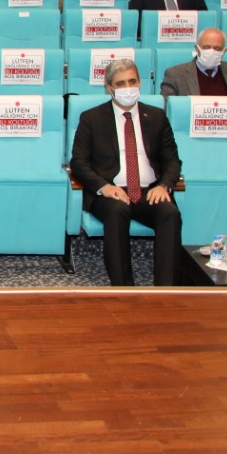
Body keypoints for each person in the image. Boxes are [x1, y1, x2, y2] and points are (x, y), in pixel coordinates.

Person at [70, 57, 183, 287]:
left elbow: (172, 160)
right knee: (118, 210)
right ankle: (123, 286)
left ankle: (167, 288)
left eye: (132, 81)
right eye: (121, 83)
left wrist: (164, 185)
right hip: (111, 192)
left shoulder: (157, 116)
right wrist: (104, 187)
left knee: (169, 212)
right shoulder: (92, 118)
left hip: (149, 190)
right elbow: (78, 162)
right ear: (109, 87)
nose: (127, 88)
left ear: (140, 82)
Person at [161, 28, 227, 97]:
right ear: (197, 49)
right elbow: (167, 108)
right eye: (206, 47)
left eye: (217, 48)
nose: (211, 52)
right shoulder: (175, 74)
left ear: (224, 52)